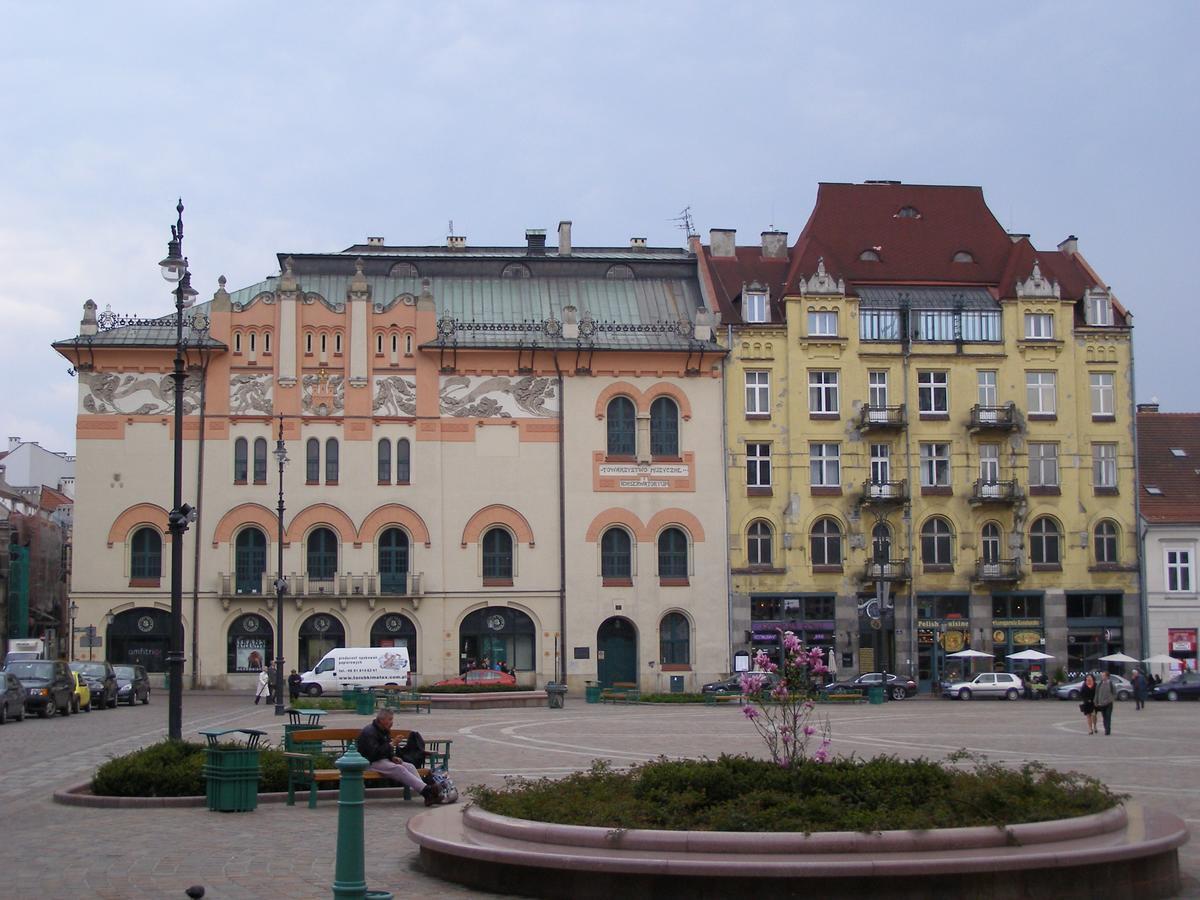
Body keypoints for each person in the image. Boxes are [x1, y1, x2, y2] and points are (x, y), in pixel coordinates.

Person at [356, 709, 438, 806]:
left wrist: (392, 757)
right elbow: (374, 754)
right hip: (369, 762)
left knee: (409, 766)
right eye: (390, 719)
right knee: (398, 768)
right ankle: (427, 791)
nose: (391, 723)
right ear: (381, 720)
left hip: (381, 761)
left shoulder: (383, 730)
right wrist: (392, 744)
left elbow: (385, 751)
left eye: (392, 719)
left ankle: (427, 793)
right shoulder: (369, 732)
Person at [1094, 671, 1116, 736]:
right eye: (1102, 675)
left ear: (1107, 676)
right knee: (1104, 717)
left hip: (1109, 704)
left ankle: (1107, 730)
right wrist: (1095, 701)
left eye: (1104, 675)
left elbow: (1115, 693)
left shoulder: (1111, 684)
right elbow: (1096, 694)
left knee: (1108, 717)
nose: (1102, 677)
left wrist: (1111, 699)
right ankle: (1106, 728)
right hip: (1101, 704)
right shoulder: (1099, 684)